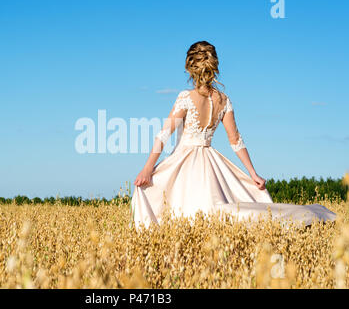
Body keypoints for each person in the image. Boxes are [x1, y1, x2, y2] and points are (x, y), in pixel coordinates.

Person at [131, 41, 336, 229]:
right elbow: (235, 140)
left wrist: (147, 168)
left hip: (185, 161)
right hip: (210, 160)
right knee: (216, 209)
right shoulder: (224, 100)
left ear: (189, 68)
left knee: (166, 198)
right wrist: (252, 173)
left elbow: (164, 134)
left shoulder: (185, 97)